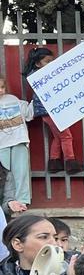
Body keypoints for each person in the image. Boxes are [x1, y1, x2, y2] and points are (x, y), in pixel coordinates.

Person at [23, 47, 81, 175]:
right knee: (66, 136)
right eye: (47, 62)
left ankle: (54, 162)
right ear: (38, 64)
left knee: (58, 137)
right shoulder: (38, 77)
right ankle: (70, 162)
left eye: (52, 61)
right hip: (50, 111)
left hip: (48, 112)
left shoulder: (36, 75)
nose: (51, 64)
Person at [0, 75, 35, 213]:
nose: (0, 90)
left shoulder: (13, 99)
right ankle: (7, 203)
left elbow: (28, 113)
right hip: (1, 144)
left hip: (19, 139)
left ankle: (22, 200)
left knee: (21, 171)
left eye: (2, 87)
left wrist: (38, 98)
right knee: (5, 174)